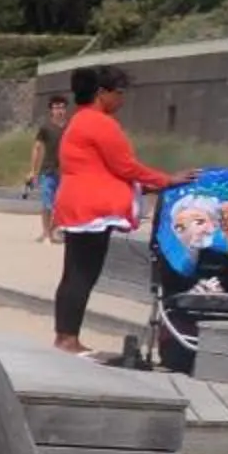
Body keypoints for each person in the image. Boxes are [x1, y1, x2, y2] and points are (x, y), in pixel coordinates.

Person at [52, 66, 169, 357]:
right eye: (119, 93)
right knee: (83, 274)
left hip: (76, 203)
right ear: (101, 93)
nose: (122, 100)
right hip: (93, 208)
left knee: (73, 273)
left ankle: (64, 336)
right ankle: (68, 340)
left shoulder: (78, 122)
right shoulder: (100, 123)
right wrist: (167, 179)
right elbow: (125, 166)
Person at [26, 94, 70, 242]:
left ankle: (53, 230)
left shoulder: (71, 126)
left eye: (62, 107)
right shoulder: (45, 128)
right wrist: (33, 170)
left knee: (62, 204)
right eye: (56, 107)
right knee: (47, 203)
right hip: (48, 170)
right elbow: (37, 148)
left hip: (66, 172)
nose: (60, 111)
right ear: (51, 110)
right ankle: (46, 232)